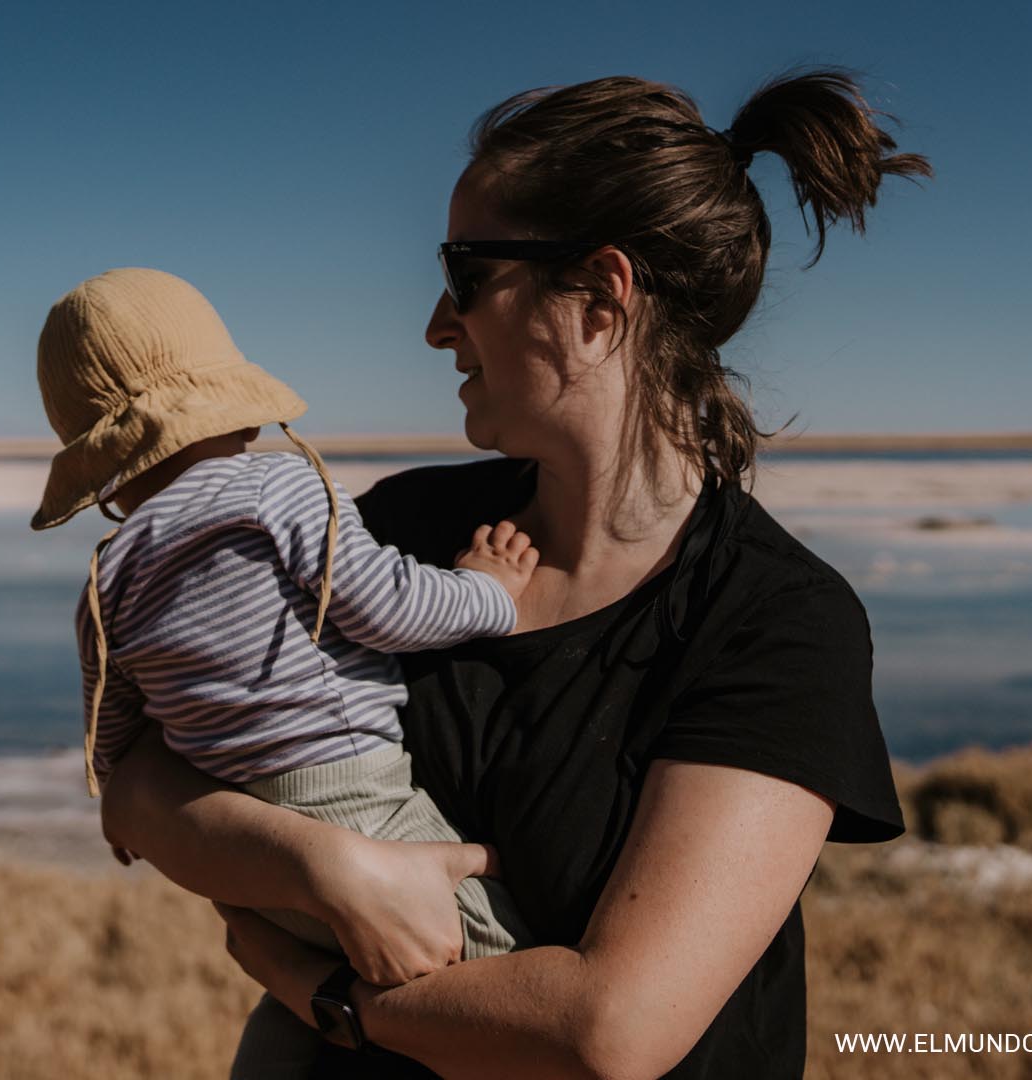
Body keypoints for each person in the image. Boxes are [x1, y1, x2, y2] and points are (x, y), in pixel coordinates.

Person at [100, 68, 930, 1079]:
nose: (437, 326)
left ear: (600, 296)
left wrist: (330, 998)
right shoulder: (402, 529)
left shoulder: (771, 621)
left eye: (465, 276)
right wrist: (329, 867)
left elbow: (607, 1031)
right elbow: (138, 783)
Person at [29, 268, 538, 1075]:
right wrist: (489, 593)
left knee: (304, 996)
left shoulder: (107, 575)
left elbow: (114, 735)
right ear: (229, 394)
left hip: (245, 844)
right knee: (508, 971)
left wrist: (123, 820)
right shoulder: (278, 486)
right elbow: (387, 610)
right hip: (356, 806)